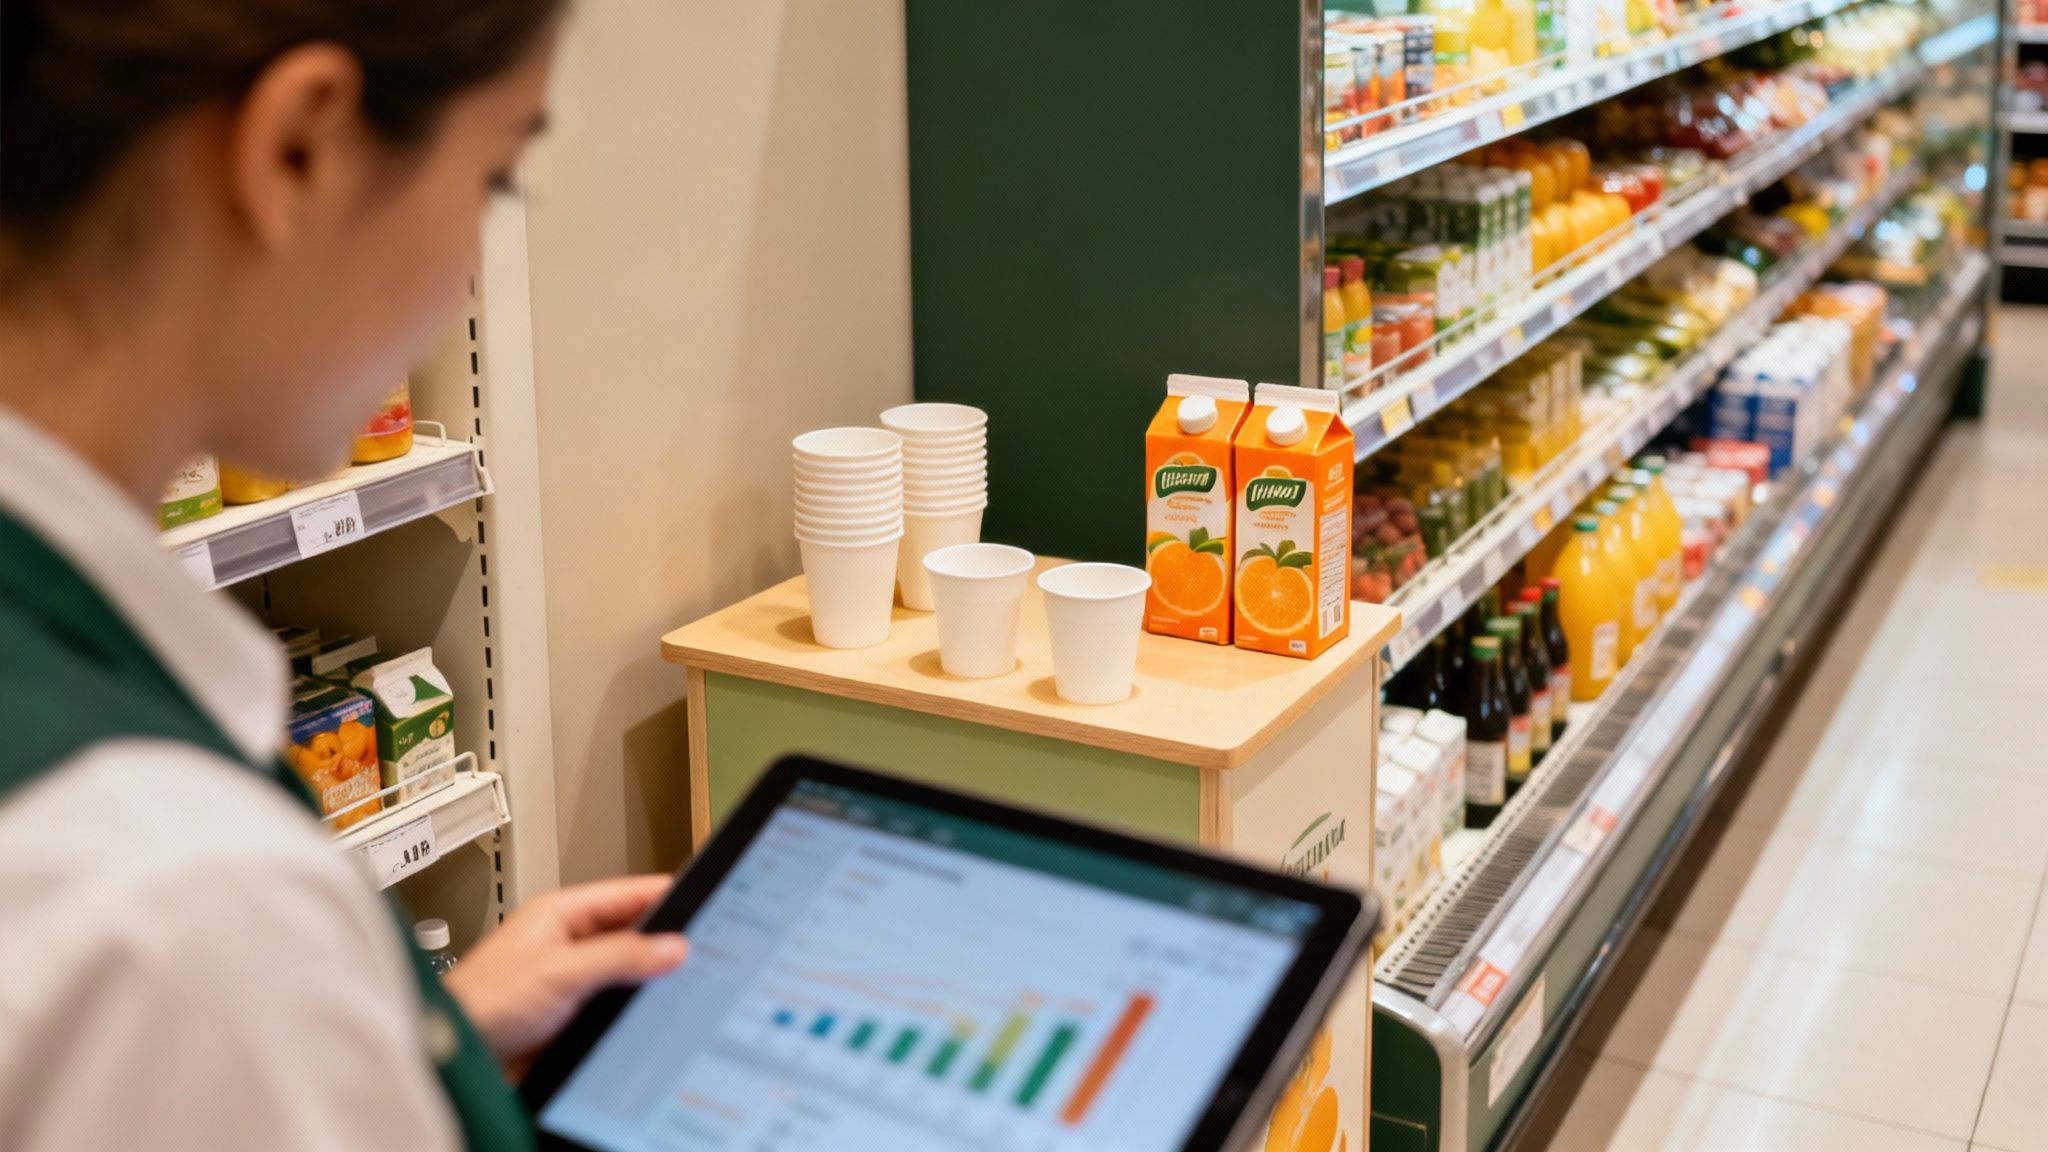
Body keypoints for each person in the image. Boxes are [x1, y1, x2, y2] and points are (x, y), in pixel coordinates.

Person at [0, 3, 687, 1148]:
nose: (470, 251)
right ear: (297, 151)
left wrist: (386, 1044)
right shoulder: (175, 900)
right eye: (495, 177)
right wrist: (279, 1014)